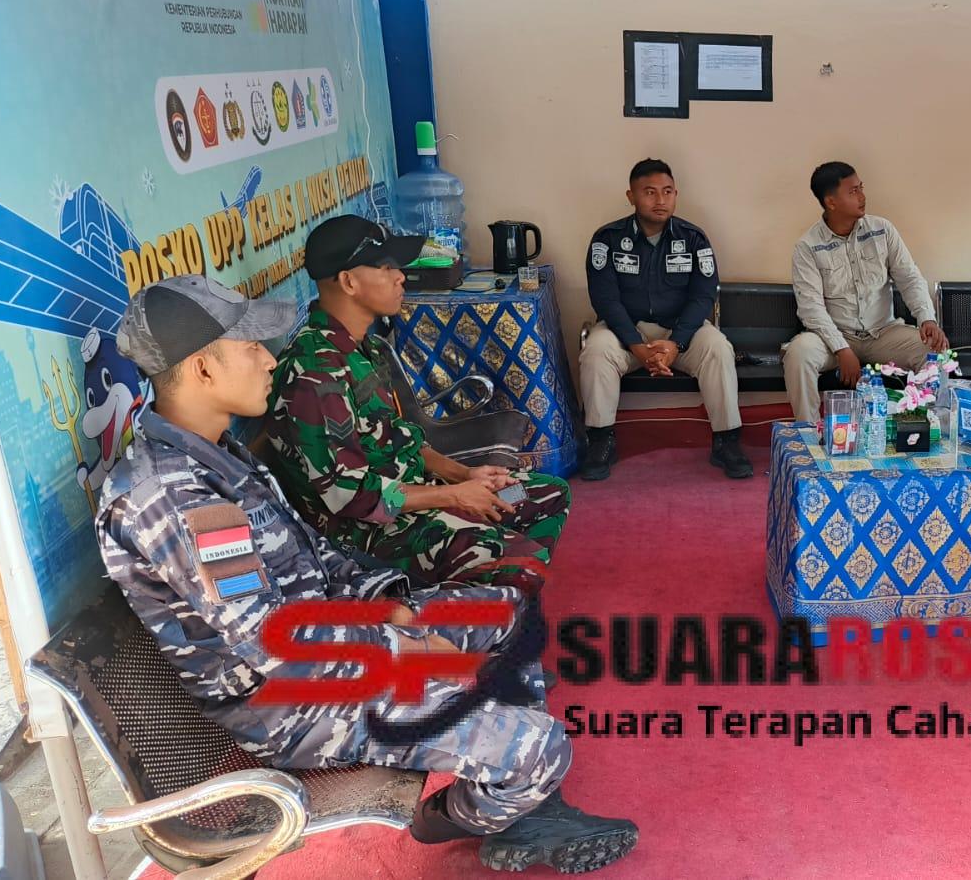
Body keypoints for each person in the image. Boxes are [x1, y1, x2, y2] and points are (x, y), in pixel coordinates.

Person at [97, 275, 637, 872]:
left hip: (336, 645)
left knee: (509, 616)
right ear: (202, 368)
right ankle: (464, 813)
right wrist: (406, 649)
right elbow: (276, 644)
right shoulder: (175, 494)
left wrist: (395, 609)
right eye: (250, 347)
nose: (269, 359)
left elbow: (317, 560)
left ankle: (520, 795)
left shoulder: (216, 455)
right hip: (290, 705)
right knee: (541, 748)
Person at [267, 215, 569, 593]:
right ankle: (484, 595)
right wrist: (453, 497)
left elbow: (401, 436)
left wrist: (464, 476)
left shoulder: (364, 347)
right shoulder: (314, 373)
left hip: (419, 493)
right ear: (348, 282)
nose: (400, 277)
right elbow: (352, 498)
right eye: (386, 268)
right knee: (515, 560)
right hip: (371, 532)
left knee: (544, 493)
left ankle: (500, 590)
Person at [580, 158, 752, 481]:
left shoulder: (693, 238)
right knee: (596, 349)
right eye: (650, 192)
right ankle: (601, 441)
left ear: (676, 194)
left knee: (717, 347)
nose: (660, 200)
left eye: (668, 191)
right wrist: (635, 344)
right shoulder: (608, 239)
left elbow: (703, 297)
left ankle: (726, 441)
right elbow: (605, 300)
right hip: (625, 331)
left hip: (679, 331)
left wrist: (675, 343)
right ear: (631, 196)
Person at [784, 162, 949, 423]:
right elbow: (810, 308)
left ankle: (921, 427)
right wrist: (841, 349)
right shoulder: (808, 247)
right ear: (831, 202)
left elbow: (910, 278)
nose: (862, 196)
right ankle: (808, 431)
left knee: (935, 351)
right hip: (835, 336)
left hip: (883, 333)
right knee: (799, 353)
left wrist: (926, 318)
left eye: (861, 188)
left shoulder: (882, 230)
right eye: (853, 191)